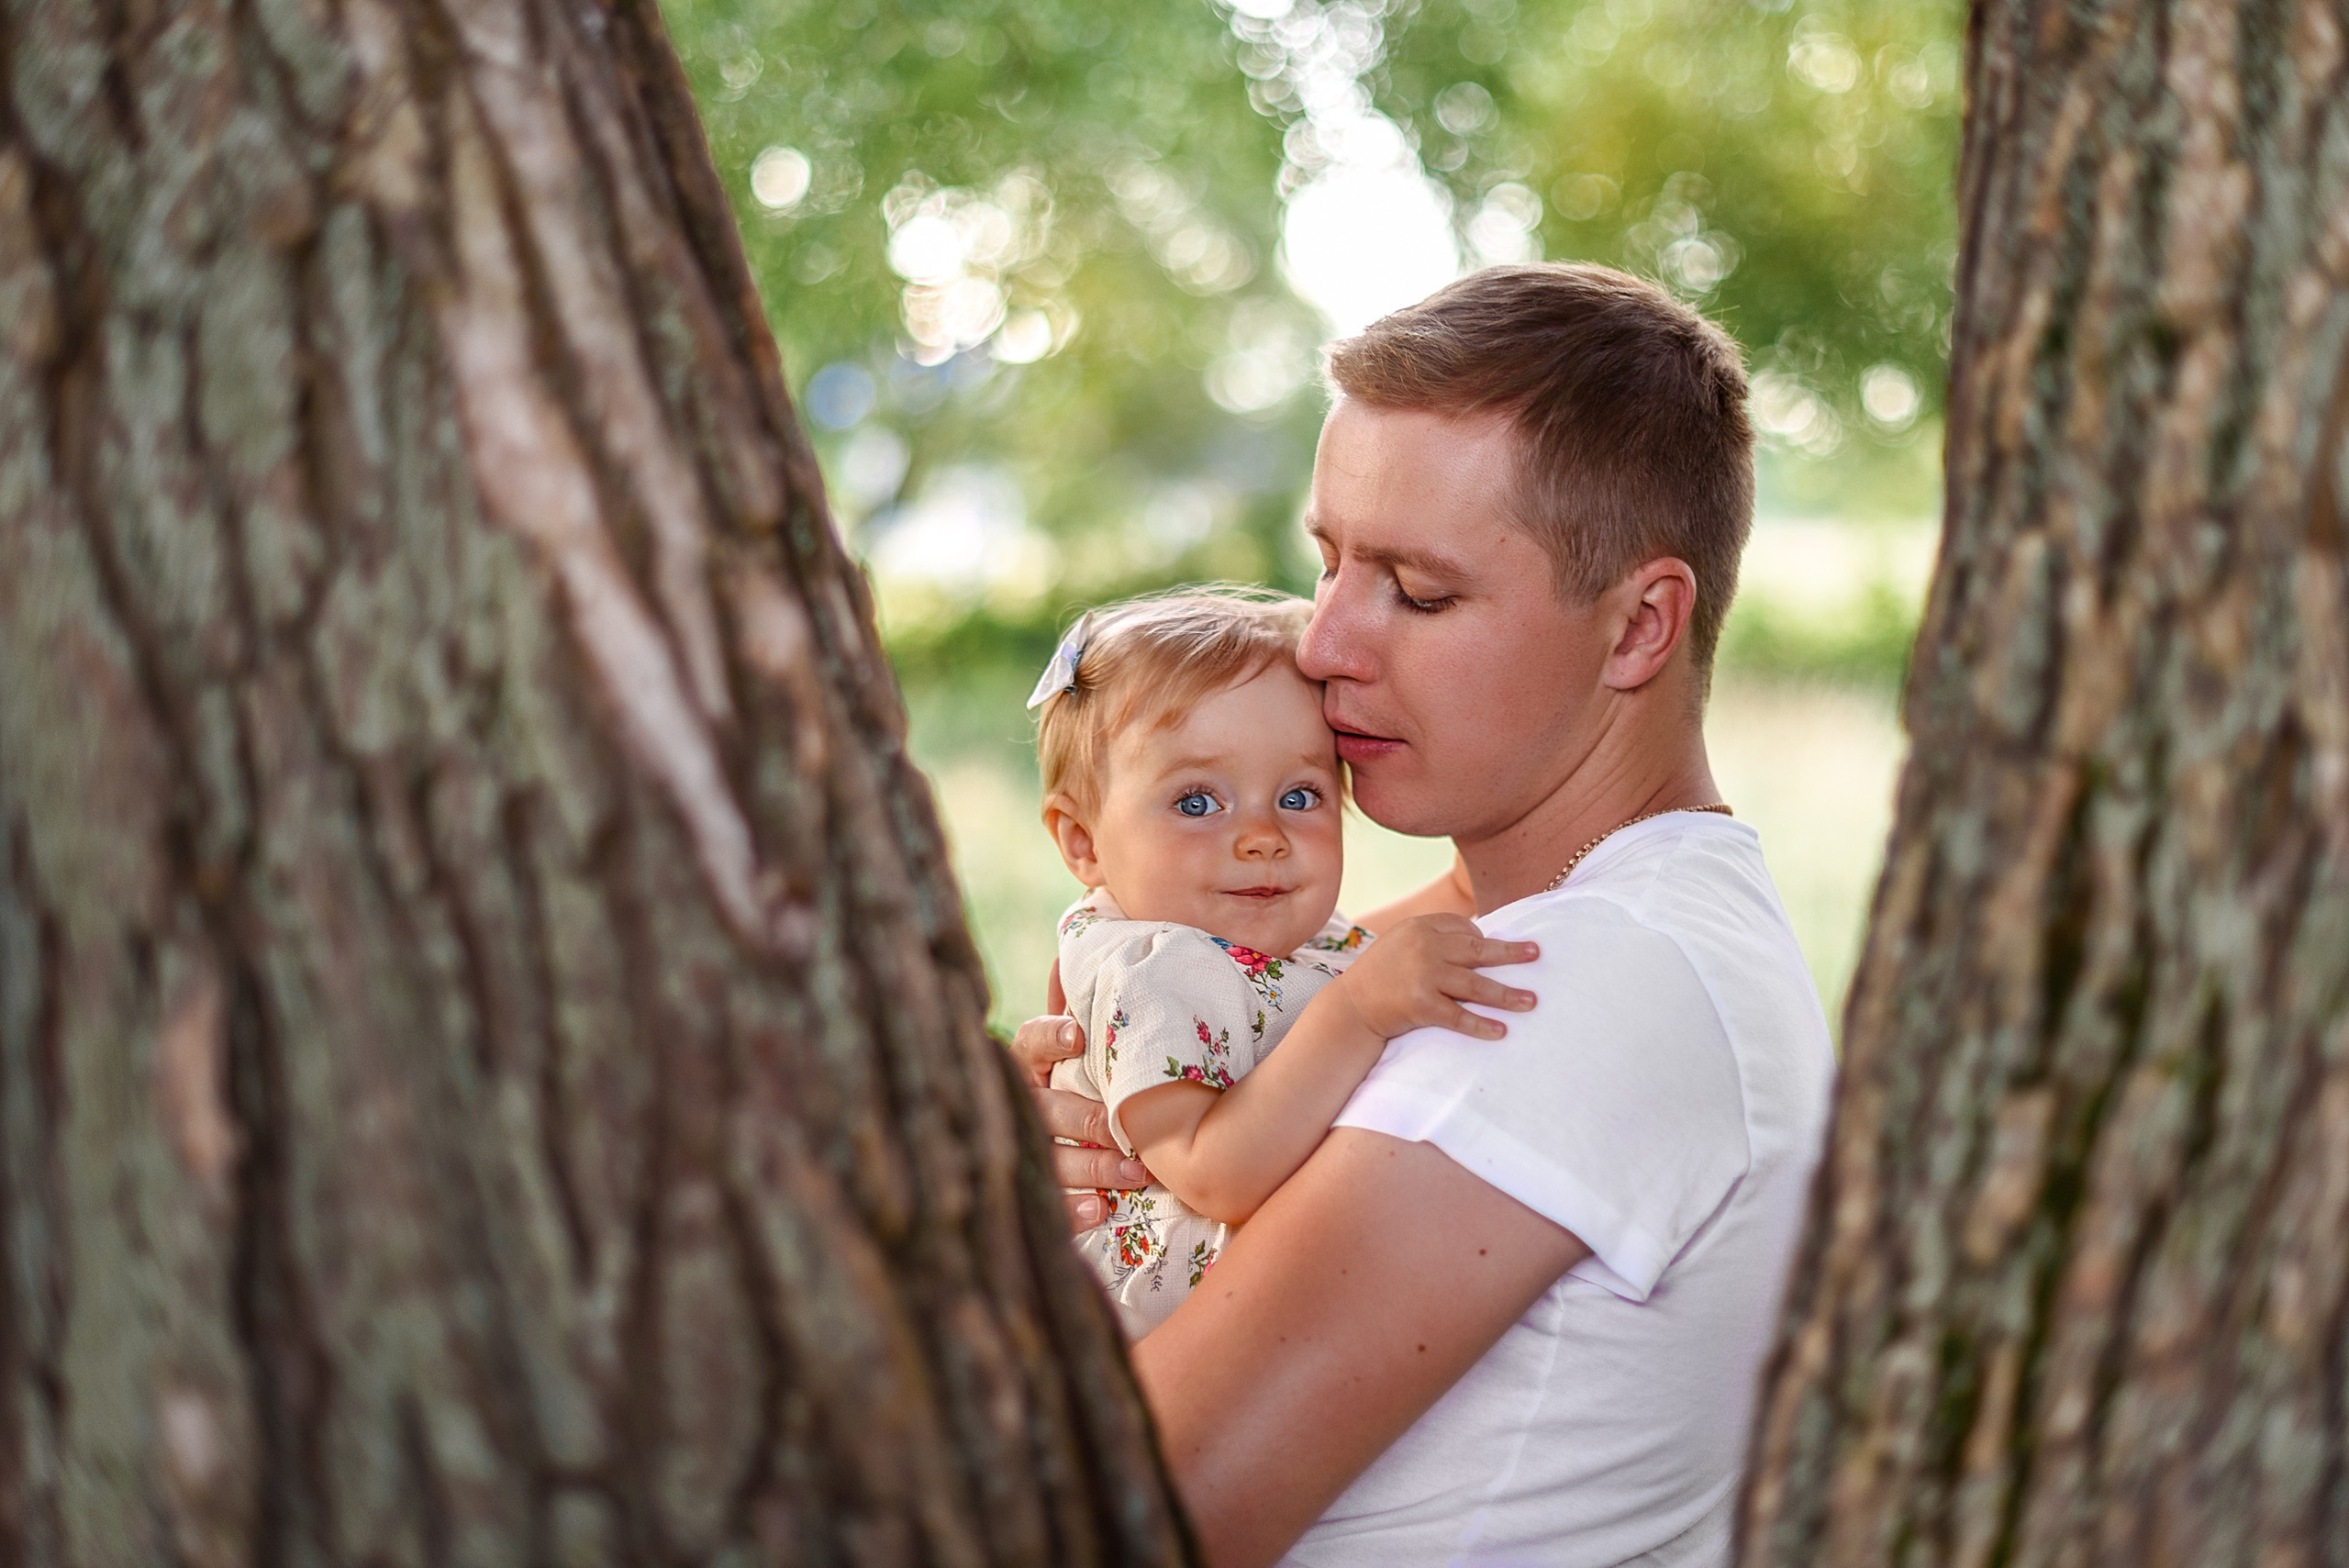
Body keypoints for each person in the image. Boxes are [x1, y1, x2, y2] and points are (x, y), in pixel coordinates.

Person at [1010, 263, 1837, 1566]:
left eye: (1420, 589)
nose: (1327, 642)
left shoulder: (1583, 982)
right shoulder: (1541, 914)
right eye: (1329, 560)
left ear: (1639, 629)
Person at [1028, 588, 1541, 1337]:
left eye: (1300, 793)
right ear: (1083, 842)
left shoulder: (1287, 942)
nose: (1263, 835)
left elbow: (1458, 897)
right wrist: (1358, 1012)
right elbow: (1214, 1171)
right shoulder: (1153, 969)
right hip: (1149, 1350)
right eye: (1198, 802)